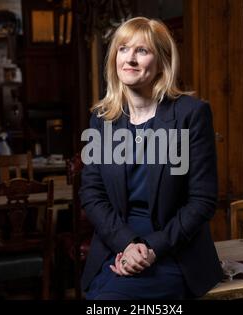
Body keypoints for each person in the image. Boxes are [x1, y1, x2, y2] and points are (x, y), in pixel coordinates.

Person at [79, 16, 222, 300]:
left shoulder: (191, 115)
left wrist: (152, 248)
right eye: (123, 49)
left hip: (173, 248)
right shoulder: (101, 120)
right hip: (116, 243)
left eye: (141, 51)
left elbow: (203, 200)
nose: (129, 59)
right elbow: (92, 194)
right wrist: (128, 244)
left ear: (162, 62)